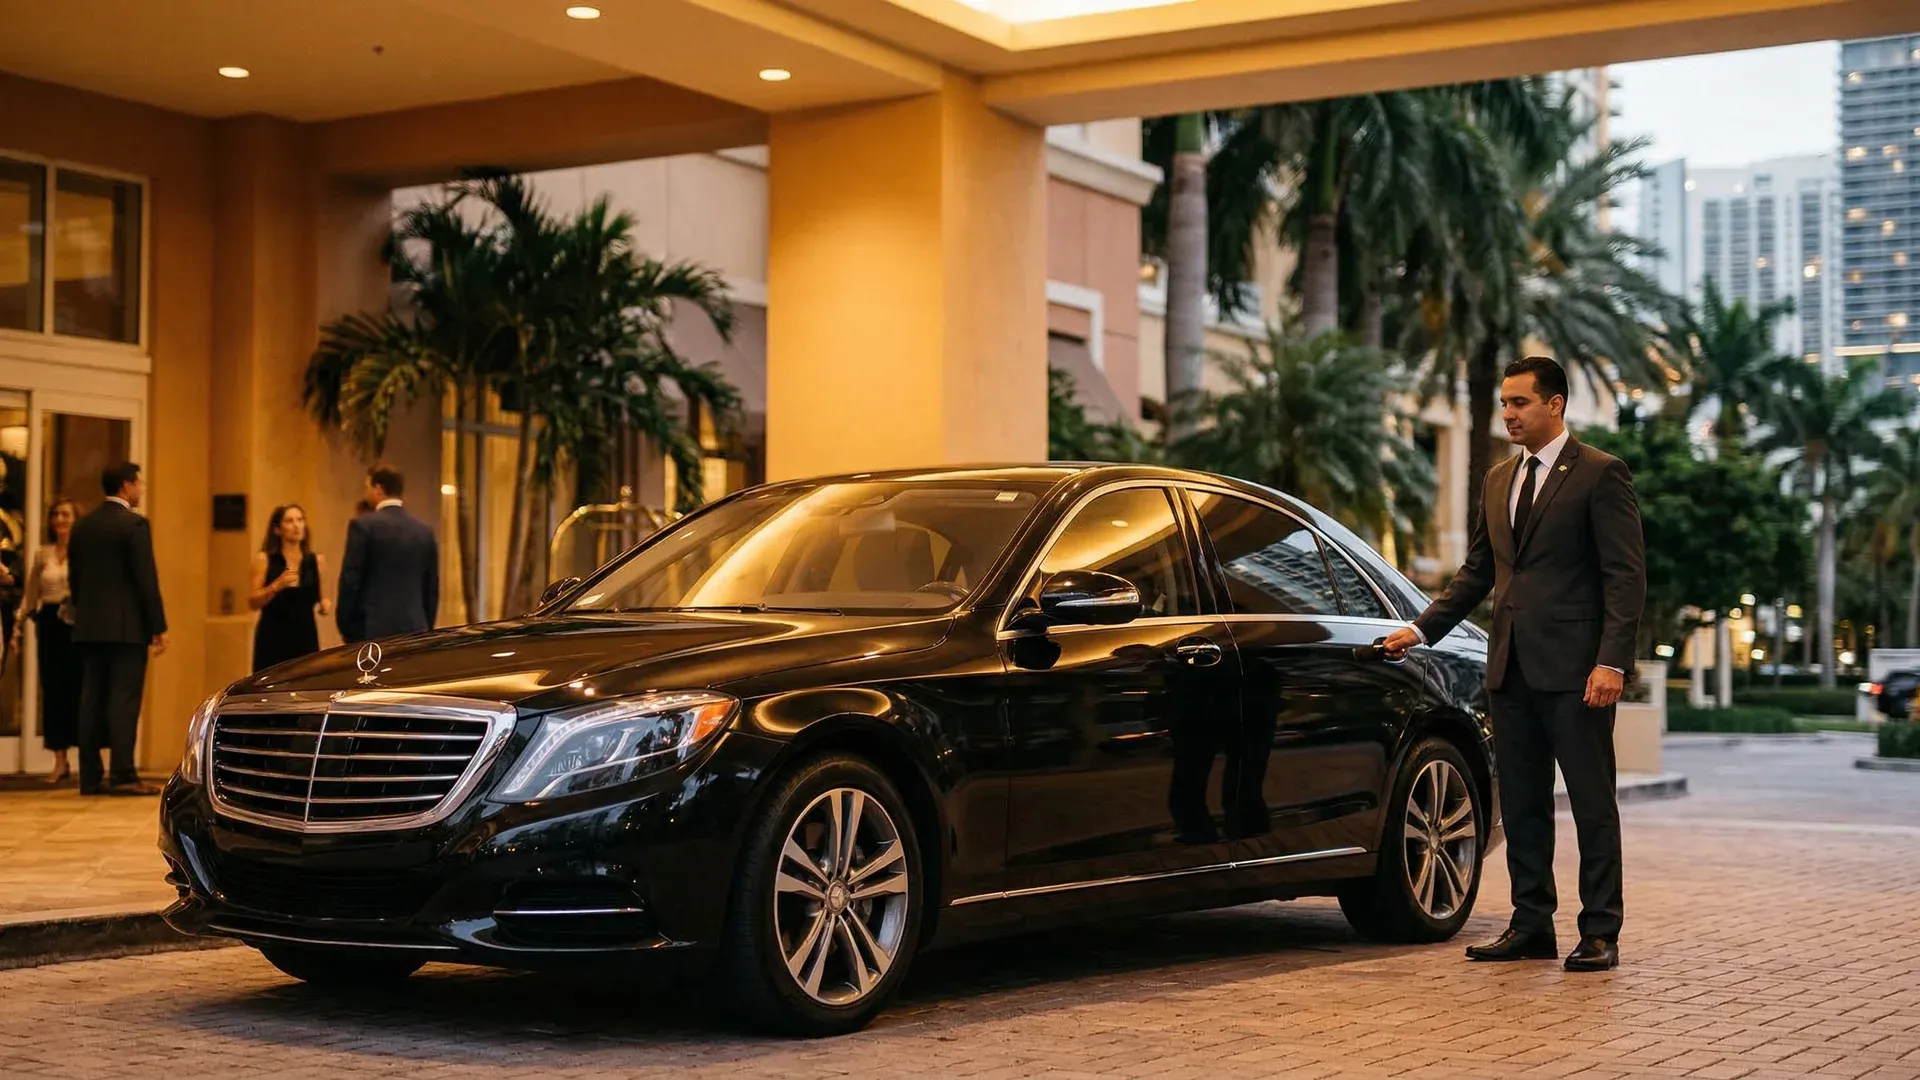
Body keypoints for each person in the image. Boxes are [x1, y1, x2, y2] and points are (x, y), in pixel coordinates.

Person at [1383, 356, 1646, 973]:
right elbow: (1478, 571)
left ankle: (1600, 931)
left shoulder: (1601, 475)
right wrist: (1422, 628)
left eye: (1520, 403)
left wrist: (1612, 661)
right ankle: (1531, 925)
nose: (1508, 415)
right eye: (1504, 404)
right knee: (1524, 805)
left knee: (1590, 805)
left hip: (1580, 675)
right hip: (1511, 671)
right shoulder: (1498, 479)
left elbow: (1625, 576)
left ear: (1554, 404)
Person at [68, 463, 168, 797]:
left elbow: (76, 579)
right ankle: (123, 774)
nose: (141, 489)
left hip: (89, 626)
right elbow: (145, 579)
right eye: (139, 483)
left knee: (91, 699)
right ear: (127, 485)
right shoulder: (134, 524)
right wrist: (158, 626)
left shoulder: (83, 526)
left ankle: (90, 776)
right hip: (126, 628)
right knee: (124, 699)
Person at [12, 498, 81, 784]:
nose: (60, 520)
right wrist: (16, 627)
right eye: (56, 516)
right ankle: (59, 761)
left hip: (78, 625)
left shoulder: (85, 552)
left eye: (65, 515)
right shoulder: (43, 554)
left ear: (76, 519)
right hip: (52, 626)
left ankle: (88, 759)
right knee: (54, 691)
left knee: (80, 689)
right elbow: (30, 594)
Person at [336, 463, 438, 643]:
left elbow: (351, 579)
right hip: (415, 628)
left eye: (367, 487)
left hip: (372, 628)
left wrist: (346, 625)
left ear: (378, 488)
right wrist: (426, 627)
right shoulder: (424, 532)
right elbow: (431, 588)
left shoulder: (363, 526)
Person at [249, 504, 331, 671]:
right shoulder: (265, 559)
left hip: (305, 635)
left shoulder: (316, 561)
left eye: (300, 520)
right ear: (278, 529)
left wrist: (325, 605)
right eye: (289, 521)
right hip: (273, 636)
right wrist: (276, 586)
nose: (296, 525)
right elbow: (252, 602)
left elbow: (323, 598)